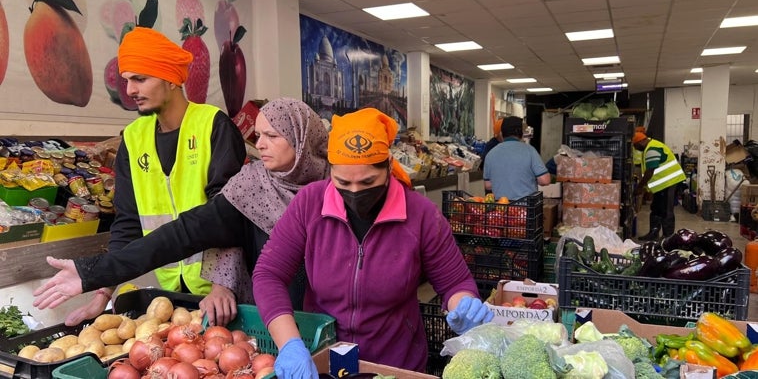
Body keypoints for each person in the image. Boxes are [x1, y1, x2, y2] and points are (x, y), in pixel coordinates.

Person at [32, 98, 329, 327]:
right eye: (259, 135)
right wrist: (92, 274)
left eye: (273, 136)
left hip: (337, 319)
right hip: (275, 320)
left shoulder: (341, 184)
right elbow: (183, 233)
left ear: (302, 139)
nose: (260, 145)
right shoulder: (250, 187)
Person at [252, 107, 492, 377]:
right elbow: (268, 274)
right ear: (329, 169)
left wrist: (463, 304)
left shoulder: (421, 215)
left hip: (395, 365)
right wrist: (290, 344)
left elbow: (454, 282)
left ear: (389, 166)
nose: (354, 192)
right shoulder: (310, 203)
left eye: (368, 182)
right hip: (323, 360)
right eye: (343, 181)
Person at [45, 26, 248, 326]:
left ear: (169, 78)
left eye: (140, 79)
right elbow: (127, 224)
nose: (129, 91)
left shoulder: (213, 126)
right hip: (173, 298)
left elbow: (231, 217)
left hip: (225, 297)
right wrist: (101, 296)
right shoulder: (132, 138)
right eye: (126, 80)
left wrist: (222, 285)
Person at [633, 131, 686, 241]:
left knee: (666, 210)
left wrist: (640, 187)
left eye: (636, 146)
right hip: (662, 185)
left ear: (641, 142)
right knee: (656, 208)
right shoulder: (650, 147)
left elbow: (650, 171)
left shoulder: (653, 149)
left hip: (669, 182)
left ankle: (668, 237)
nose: (637, 149)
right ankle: (654, 233)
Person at [483, 116, 551, 201]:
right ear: (521, 133)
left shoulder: (490, 154)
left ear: (502, 133)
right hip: (525, 208)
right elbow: (545, 180)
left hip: (501, 208)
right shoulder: (529, 151)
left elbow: (488, 185)